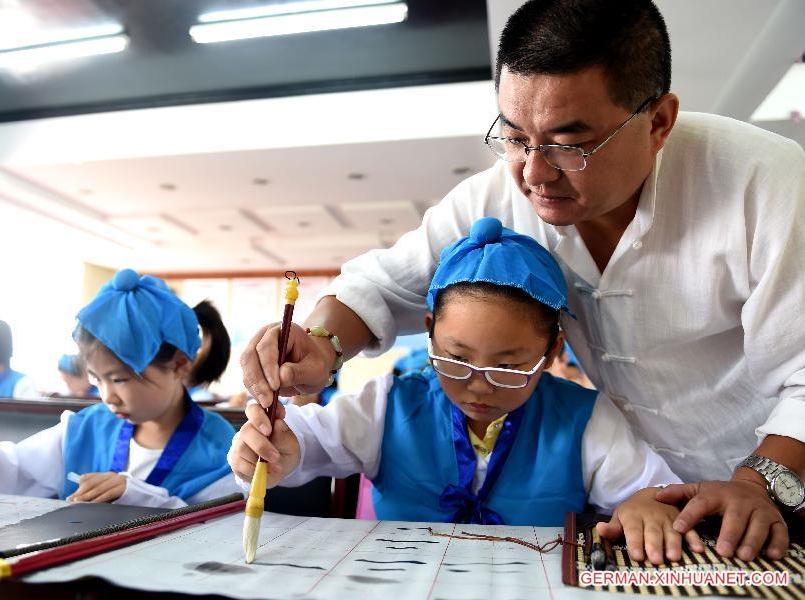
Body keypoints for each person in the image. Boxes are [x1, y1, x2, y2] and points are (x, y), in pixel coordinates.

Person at [241, 0, 805, 561]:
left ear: (658, 122)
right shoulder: (500, 195)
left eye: (569, 143)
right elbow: (383, 286)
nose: (534, 172)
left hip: (771, 492)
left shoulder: (765, 186)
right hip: (639, 514)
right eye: (514, 136)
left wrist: (756, 486)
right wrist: (318, 344)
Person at [233, 218, 692, 564]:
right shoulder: (391, 403)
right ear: (429, 331)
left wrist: (644, 504)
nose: (477, 383)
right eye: (454, 359)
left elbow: (648, 488)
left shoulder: (585, 420)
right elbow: (307, 441)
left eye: (509, 367)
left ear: (554, 349)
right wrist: (276, 451)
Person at [0, 269, 238, 508]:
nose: (107, 395)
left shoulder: (224, 451)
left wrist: (139, 496)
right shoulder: (84, 428)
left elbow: (220, 530)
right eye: (97, 379)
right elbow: (16, 468)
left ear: (179, 365)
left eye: (120, 379)